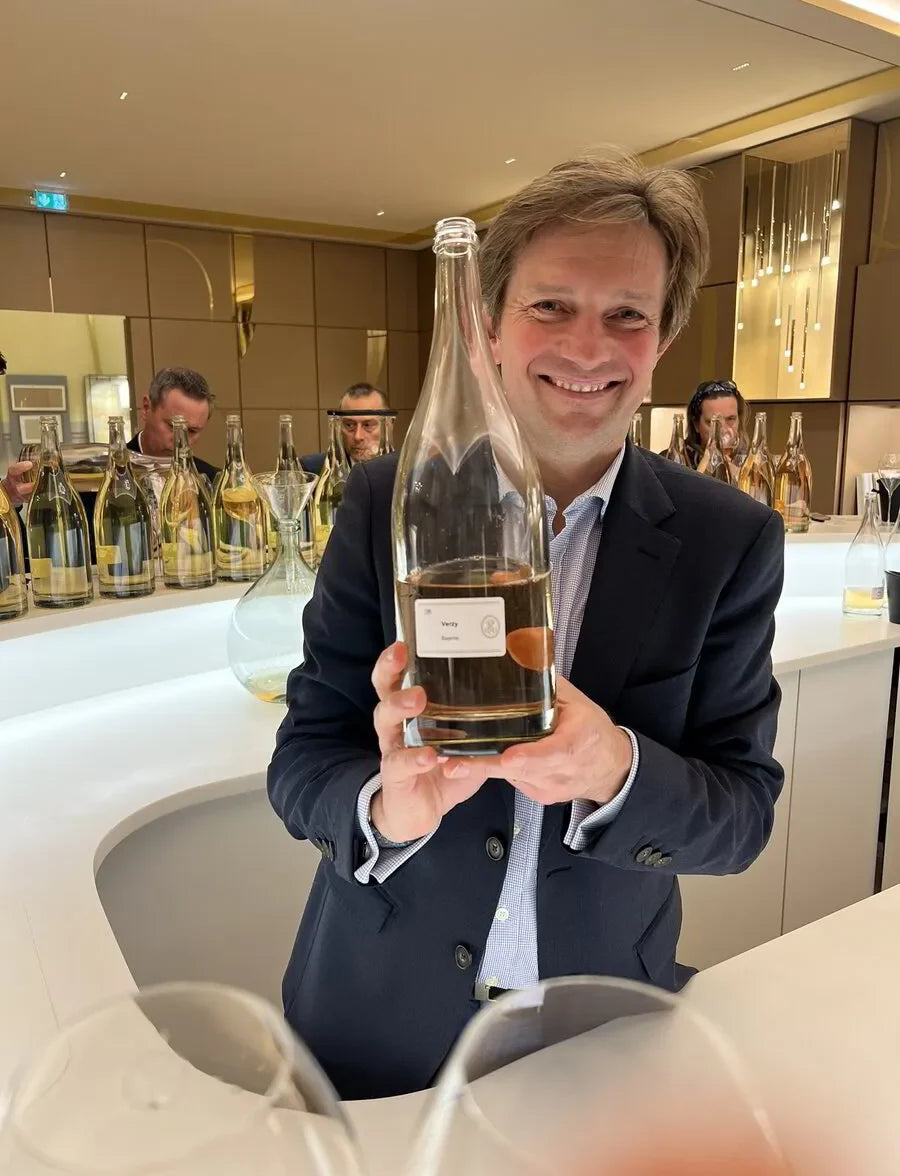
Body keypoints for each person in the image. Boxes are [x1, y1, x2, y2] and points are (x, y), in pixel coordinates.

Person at [268, 150, 785, 1100]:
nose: (589, 349)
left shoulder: (731, 538)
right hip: (376, 1017)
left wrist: (617, 770)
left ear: (661, 340)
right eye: (551, 306)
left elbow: (742, 815)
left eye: (627, 315)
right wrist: (386, 810)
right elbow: (301, 761)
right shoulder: (390, 500)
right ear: (489, 328)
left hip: (597, 1027)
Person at [0, 365, 218, 511]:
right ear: (146, 408)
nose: (182, 441)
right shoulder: (90, 475)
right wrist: (10, 498)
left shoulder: (212, 480)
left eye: (192, 431)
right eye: (172, 426)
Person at [301, 382, 391, 475]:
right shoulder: (310, 470)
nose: (357, 436)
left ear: (388, 425)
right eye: (349, 425)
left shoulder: (403, 472)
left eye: (367, 425)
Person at [685, 378, 750, 471]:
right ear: (696, 425)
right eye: (713, 422)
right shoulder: (674, 459)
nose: (723, 430)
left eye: (730, 419)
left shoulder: (750, 462)